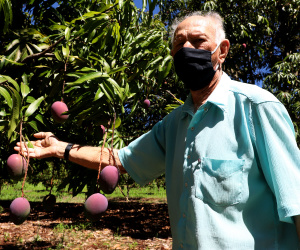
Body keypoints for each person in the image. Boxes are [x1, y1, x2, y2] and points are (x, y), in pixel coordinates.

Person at [15, 11, 300, 249]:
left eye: (199, 42)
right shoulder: (174, 124)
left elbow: (297, 204)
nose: (188, 50)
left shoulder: (256, 108)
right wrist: (59, 148)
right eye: (180, 44)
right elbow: (118, 159)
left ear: (222, 51)